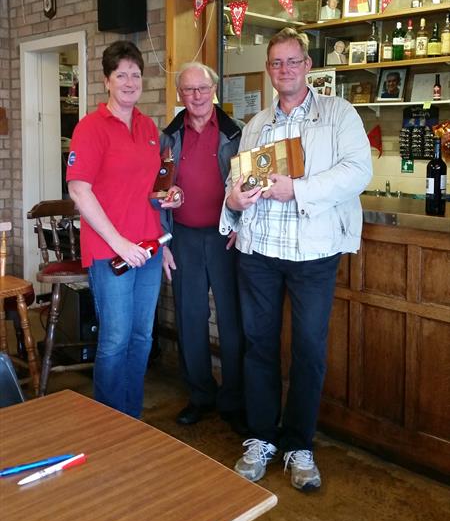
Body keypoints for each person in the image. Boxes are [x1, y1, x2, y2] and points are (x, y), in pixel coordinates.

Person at [219, 27, 372, 491]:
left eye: (292, 62)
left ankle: (299, 444)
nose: (284, 70)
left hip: (314, 253)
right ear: (270, 71)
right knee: (259, 345)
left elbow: (357, 171)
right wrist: (233, 203)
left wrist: (297, 189)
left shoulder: (339, 114)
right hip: (260, 251)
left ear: (307, 66)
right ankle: (261, 438)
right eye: (276, 63)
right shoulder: (255, 125)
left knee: (308, 349)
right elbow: (238, 183)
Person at [67, 40, 182, 418]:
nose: (130, 81)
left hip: (148, 250)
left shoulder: (149, 128)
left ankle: (131, 420)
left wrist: (167, 208)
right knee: (115, 341)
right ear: (107, 81)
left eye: (135, 74)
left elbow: (150, 191)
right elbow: (79, 191)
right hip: (111, 253)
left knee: (141, 337)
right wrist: (118, 242)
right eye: (122, 75)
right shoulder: (90, 128)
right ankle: (108, 424)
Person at [160, 62, 246, 435]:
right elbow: (157, 189)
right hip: (184, 238)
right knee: (190, 319)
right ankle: (200, 395)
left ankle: (233, 399)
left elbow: (250, 187)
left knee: (231, 321)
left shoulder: (236, 134)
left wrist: (241, 227)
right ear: (180, 95)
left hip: (224, 237)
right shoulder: (169, 137)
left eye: (201, 89)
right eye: (187, 90)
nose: (195, 96)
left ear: (213, 90)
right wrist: (163, 240)